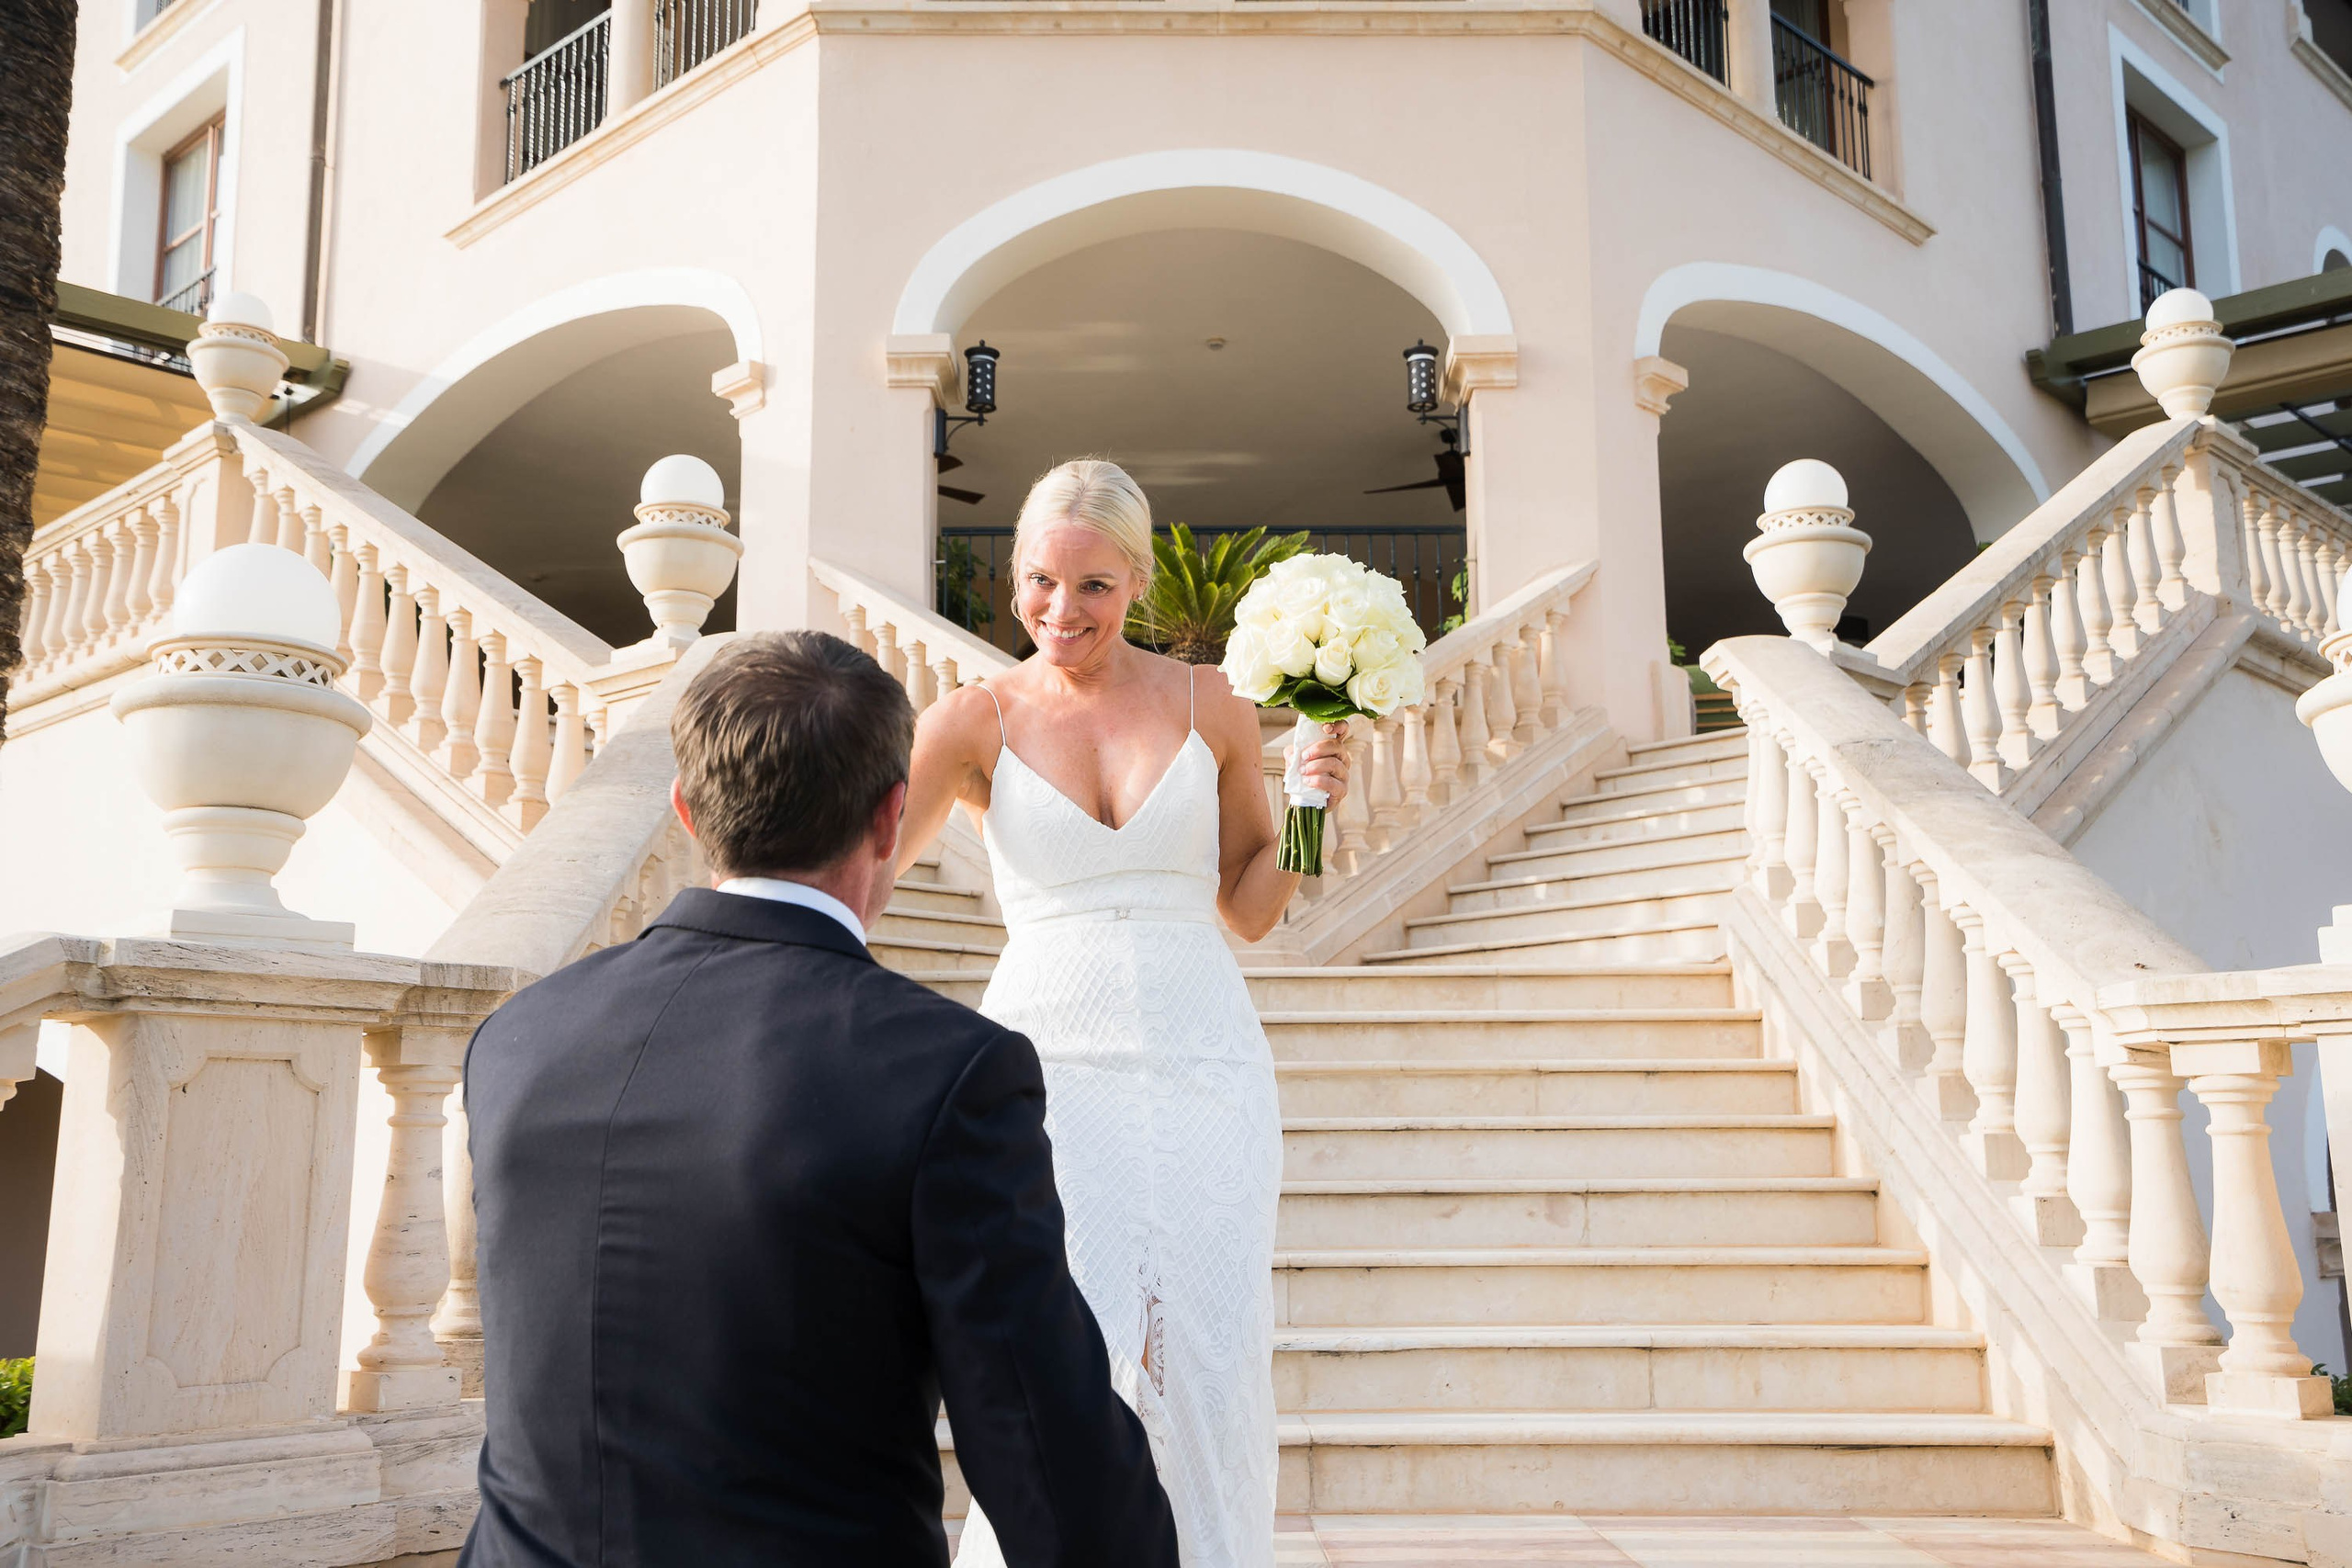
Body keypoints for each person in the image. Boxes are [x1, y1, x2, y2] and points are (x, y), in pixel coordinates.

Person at [457, 630, 1180, 1568]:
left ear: (686, 811)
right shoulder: (950, 1072)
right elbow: (1045, 1451)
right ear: (890, 819)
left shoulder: (515, 1039)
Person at [899, 460, 1351, 1568]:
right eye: (1040, 583)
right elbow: (857, 875)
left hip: (1205, 1060)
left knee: (1209, 1347)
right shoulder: (971, 721)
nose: (1062, 611)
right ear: (1014, 581)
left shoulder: (1215, 705)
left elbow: (1250, 909)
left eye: (1094, 585)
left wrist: (1308, 812)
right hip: (1046, 1069)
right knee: (1060, 1348)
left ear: (1138, 579)